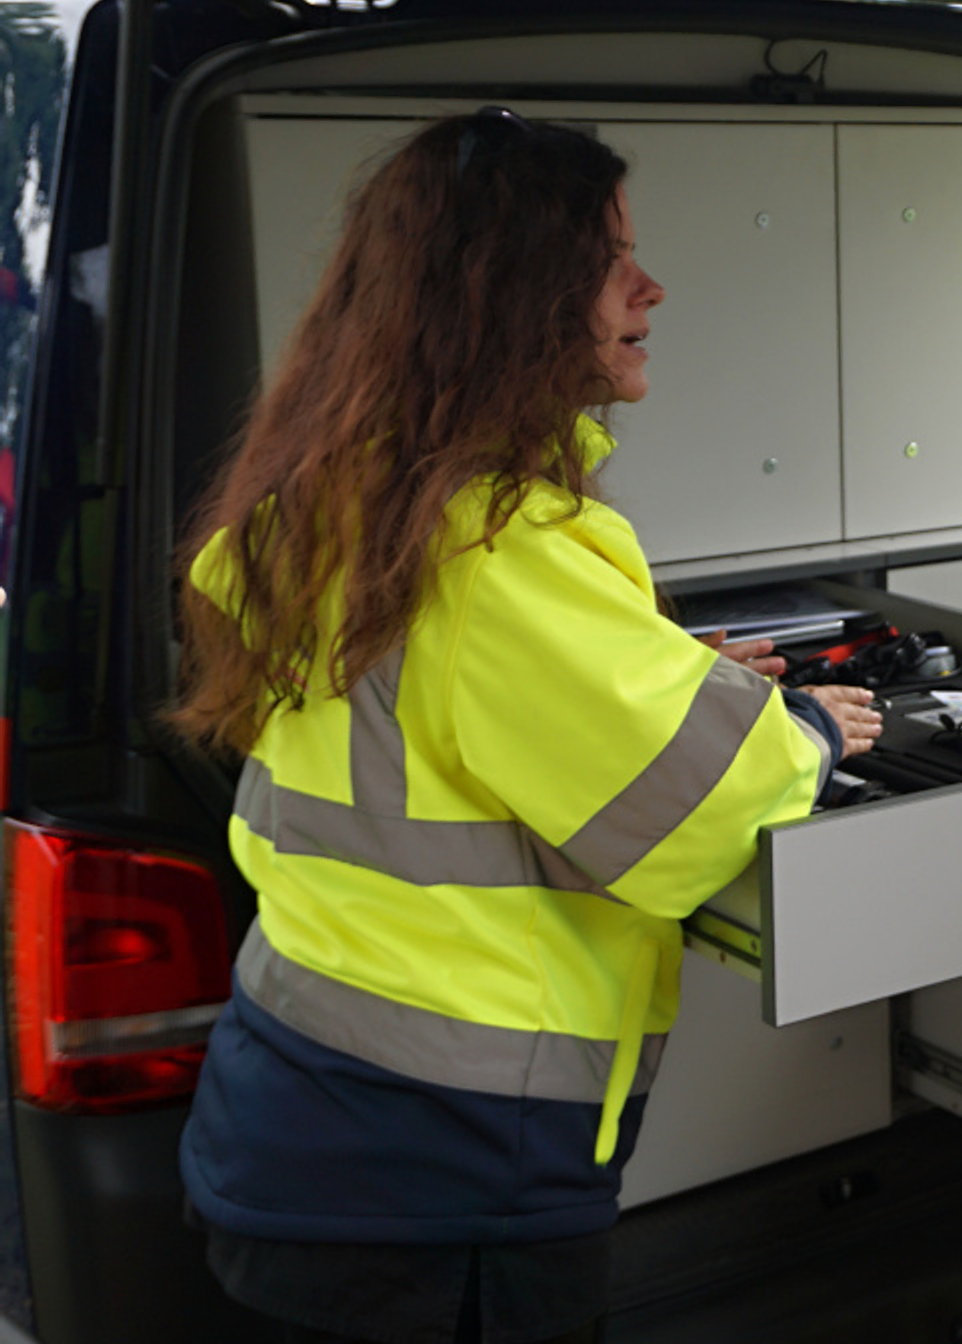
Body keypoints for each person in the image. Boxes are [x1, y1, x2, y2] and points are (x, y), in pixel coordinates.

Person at [167, 108, 880, 1344]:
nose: (650, 286)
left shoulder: (341, 502)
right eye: (613, 259)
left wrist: (659, 669)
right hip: (445, 1181)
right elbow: (706, 805)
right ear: (513, 294)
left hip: (296, 1116)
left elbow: (441, 716)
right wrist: (801, 723)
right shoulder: (498, 548)